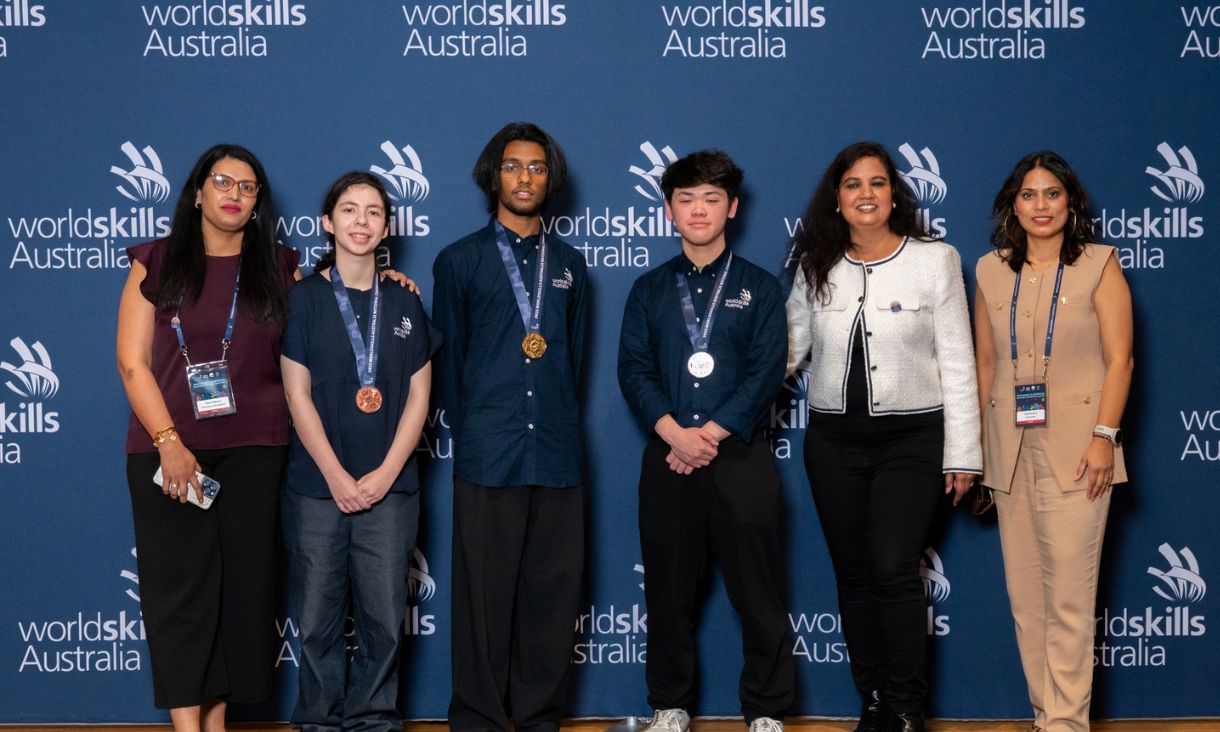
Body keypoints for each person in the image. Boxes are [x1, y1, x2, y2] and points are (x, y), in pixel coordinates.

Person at [785, 142, 981, 732]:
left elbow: (959, 361)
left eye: (876, 182)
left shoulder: (936, 259)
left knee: (894, 569)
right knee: (854, 574)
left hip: (913, 440)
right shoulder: (814, 262)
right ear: (837, 199)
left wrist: (964, 452)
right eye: (852, 184)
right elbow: (788, 350)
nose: (865, 193)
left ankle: (906, 708)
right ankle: (871, 699)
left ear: (894, 194)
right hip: (833, 444)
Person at [116, 144, 299, 731]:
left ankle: (216, 725)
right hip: (170, 451)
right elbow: (132, 363)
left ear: (256, 203)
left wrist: (388, 278)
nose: (234, 193)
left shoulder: (280, 265)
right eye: (223, 181)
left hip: (256, 451)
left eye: (247, 187)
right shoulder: (156, 261)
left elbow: (340, 307)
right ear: (197, 190)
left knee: (240, 598)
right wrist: (168, 440)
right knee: (179, 597)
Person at [618, 150, 794, 732]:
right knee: (667, 594)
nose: (699, 210)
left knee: (759, 592)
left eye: (711, 199)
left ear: (732, 208)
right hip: (667, 458)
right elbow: (634, 370)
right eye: (687, 199)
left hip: (739, 457)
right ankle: (670, 707)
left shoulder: (761, 288)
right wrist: (673, 432)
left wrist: (709, 435)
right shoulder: (648, 289)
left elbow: (767, 371)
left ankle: (766, 710)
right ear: (670, 210)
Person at [431, 122, 589, 732]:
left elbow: (572, 363)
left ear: (551, 178)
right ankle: (478, 720)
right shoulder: (459, 261)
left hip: (556, 453)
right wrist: (486, 428)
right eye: (513, 166)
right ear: (492, 175)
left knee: (551, 598)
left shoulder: (572, 267)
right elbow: (451, 364)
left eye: (537, 168)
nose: (525, 178)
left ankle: (539, 718)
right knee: (484, 599)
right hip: (488, 453)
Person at [974, 152, 1132, 732]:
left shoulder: (1099, 263)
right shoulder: (990, 270)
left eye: (1052, 194)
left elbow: (1121, 360)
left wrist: (1104, 438)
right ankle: (1046, 717)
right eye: (1028, 195)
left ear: (1071, 203)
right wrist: (976, 453)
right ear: (1012, 205)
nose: (1040, 206)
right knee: (1027, 601)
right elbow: (984, 366)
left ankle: (1068, 723)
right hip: (1010, 453)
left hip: (1079, 451)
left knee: (1069, 597)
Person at [280, 172, 439, 731]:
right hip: (317, 489)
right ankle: (320, 723)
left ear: (387, 225)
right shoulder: (304, 297)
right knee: (318, 620)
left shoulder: (405, 299)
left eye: (374, 212)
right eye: (349, 210)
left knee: (381, 619)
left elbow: (420, 395)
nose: (361, 222)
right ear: (328, 222)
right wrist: (337, 475)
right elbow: (296, 394)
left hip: (390, 491)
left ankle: (374, 721)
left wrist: (386, 472)